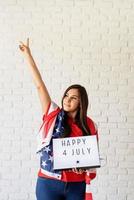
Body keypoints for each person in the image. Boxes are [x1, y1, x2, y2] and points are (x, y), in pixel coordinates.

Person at [19, 38, 98, 200]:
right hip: (48, 182)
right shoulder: (53, 114)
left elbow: (91, 158)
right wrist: (28, 54)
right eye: (66, 95)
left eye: (74, 98)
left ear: (81, 102)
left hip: (76, 185)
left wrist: (83, 168)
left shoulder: (90, 125)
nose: (67, 100)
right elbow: (39, 85)